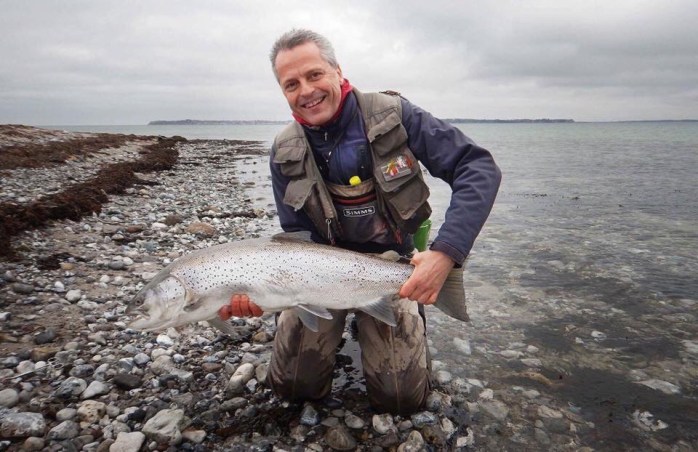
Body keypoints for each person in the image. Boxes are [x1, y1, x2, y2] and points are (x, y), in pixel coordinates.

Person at [218, 28, 501, 414]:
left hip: (392, 266)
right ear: (283, 91)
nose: (306, 91)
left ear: (337, 71)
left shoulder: (394, 115)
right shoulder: (284, 150)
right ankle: (339, 327)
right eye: (291, 84)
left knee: (401, 400)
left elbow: (477, 167)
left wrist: (445, 254)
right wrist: (255, 296)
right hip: (319, 274)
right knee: (294, 388)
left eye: (315, 75)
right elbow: (294, 242)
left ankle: (399, 319)